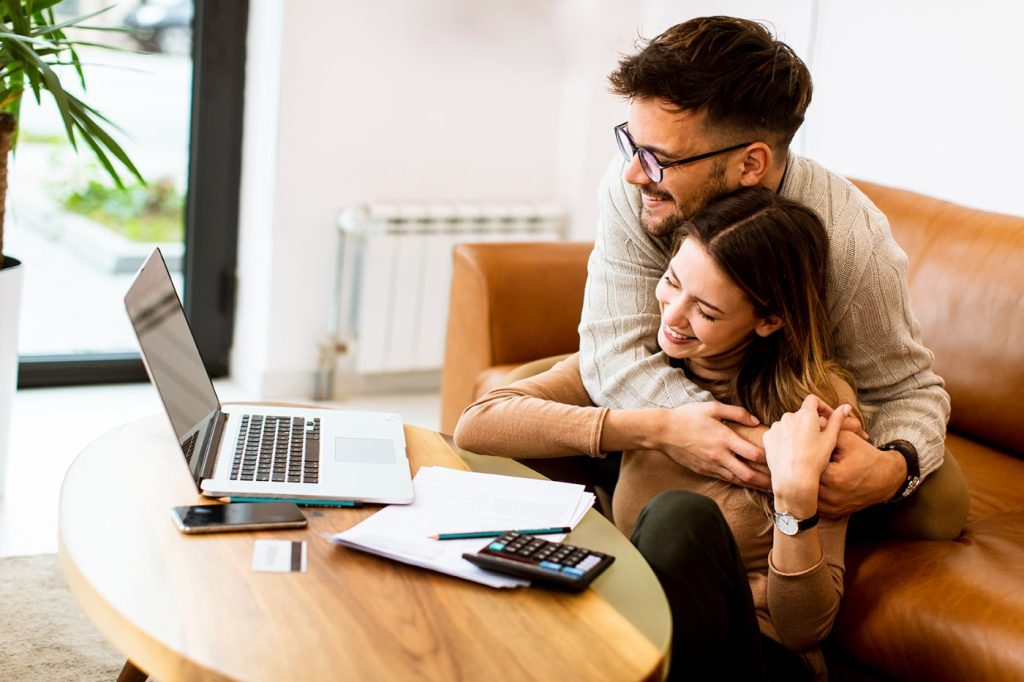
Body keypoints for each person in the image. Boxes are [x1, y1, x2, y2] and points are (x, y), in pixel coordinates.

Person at [578, 15, 968, 539]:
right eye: (633, 144)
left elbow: (906, 390)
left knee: (940, 501)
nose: (633, 172)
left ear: (752, 163)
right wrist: (721, 435)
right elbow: (612, 352)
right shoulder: (635, 188)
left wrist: (892, 467)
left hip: (798, 413)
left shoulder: (851, 241)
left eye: (659, 159)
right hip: (713, 401)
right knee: (526, 401)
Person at [456, 187, 858, 680]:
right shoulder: (636, 362)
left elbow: (804, 631)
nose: (671, 318)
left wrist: (797, 499)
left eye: (706, 312)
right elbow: (478, 424)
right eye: (672, 282)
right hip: (629, 622)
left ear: (769, 320)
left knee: (679, 518)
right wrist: (657, 429)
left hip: (752, 652)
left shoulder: (816, 408)